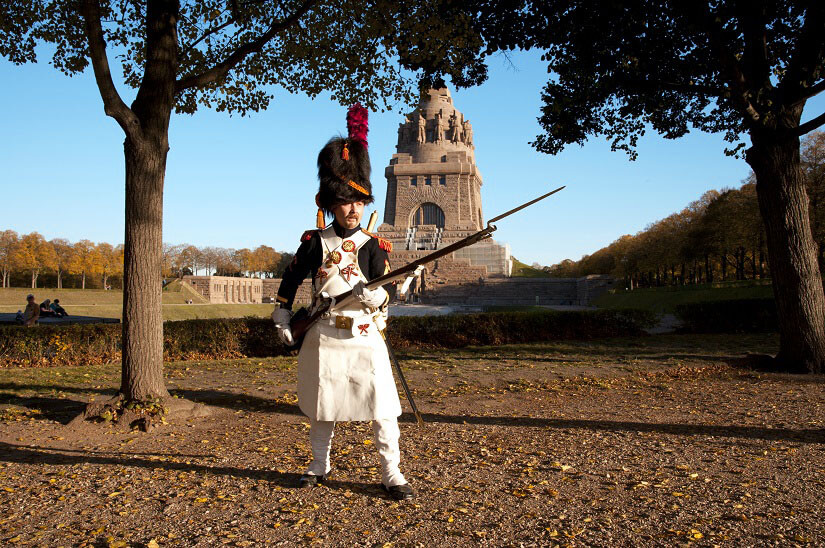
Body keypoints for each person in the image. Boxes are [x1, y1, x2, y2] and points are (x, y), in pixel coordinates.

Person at [272, 104, 414, 501]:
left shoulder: (373, 246)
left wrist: (377, 294)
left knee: (383, 409)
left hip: (365, 334)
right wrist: (283, 313)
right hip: (322, 333)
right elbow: (291, 278)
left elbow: (386, 287)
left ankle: (391, 471)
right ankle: (319, 464)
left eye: (358, 201)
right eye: (345, 201)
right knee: (323, 407)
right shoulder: (314, 242)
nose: (352, 209)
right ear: (331, 202)